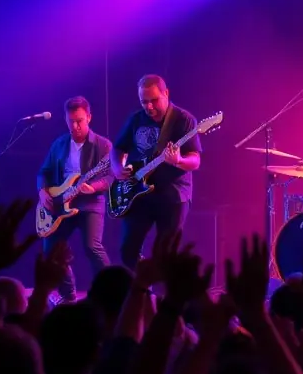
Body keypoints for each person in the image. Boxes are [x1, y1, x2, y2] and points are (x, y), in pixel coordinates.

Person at [111, 75, 202, 269]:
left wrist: (178, 160)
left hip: (173, 195)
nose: (149, 107)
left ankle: (163, 295)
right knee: (128, 250)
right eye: (144, 102)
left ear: (166, 93)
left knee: (165, 253)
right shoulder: (136, 119)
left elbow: (195, 161)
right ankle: (143, 286)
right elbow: (118, 148)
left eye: (154, 100)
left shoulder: (183, 120)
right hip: (139, 194)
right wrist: (118, 168)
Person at [37, 96, 112, 303]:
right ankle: (68, 295)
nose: (75, 126)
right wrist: (43, 192)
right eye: (71, 122)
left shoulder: (103, 145)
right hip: (62, 203)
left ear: (89, 117)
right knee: (52, 248)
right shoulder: (59, 144)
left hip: (90, 203)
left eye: (79, 121)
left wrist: (93, 187)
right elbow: (44, 171)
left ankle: (111, 292)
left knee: (92, 247)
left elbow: (112, 175)